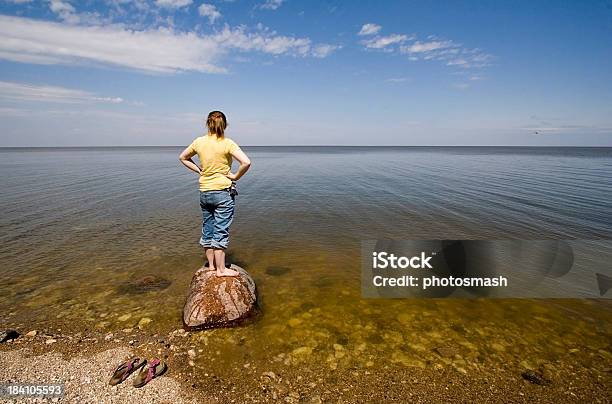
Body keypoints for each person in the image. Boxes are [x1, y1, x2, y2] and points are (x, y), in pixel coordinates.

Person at [179, 111, 251, 277]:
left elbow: (183, 157)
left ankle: (211, 266)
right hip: (222, 193)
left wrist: (199, 170)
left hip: (204, 192)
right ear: (224, 125)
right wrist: (235, 176)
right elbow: (246, 162)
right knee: (220, 230)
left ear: (207, 124)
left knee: (208, 228)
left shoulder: (199, 142)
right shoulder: (228, 143)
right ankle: (221, 270)